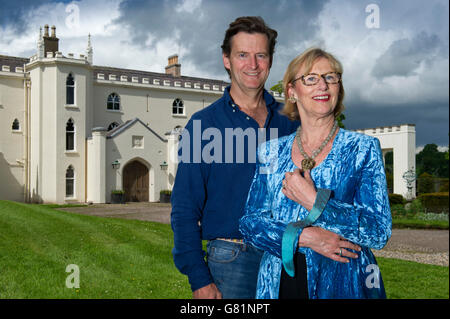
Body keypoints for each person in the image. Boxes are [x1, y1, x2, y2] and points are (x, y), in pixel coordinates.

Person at [239, 47, 392, 299]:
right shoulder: (270, 152)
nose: (323, 85)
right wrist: (303, 237)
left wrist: (315, 201)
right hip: (279, 282)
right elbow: (250, 223)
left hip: (342, 281)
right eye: (311, 79)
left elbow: (378, 230)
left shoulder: (362, 148)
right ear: (292, 91)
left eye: (330, 77)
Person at [170, 16, 299, 299]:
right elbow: (184, 208)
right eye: (242, 55)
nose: (252, 65)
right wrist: (198, 279)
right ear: (227, 59)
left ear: (270, 60)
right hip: (232, 259)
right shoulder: (204, 125)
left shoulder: (290, 121)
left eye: (260, 55)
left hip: (286, 257)